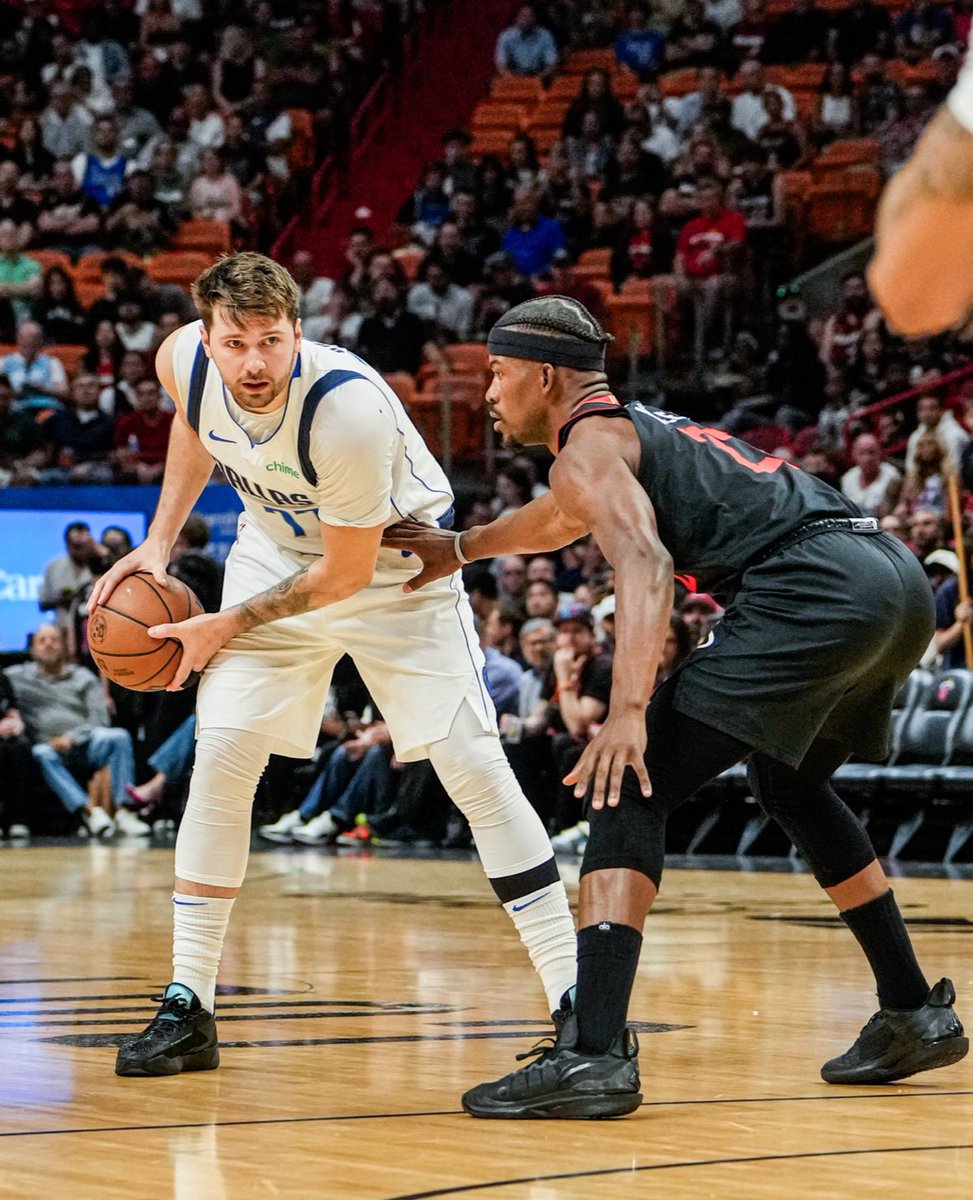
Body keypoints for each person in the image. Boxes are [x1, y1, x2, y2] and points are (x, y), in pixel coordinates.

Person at [383, 295, 966, 1119]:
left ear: (544, 376)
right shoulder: (621, 434)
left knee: (628, 778)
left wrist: (626, 711)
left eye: (498, 372)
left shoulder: (587, 447)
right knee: (791, 786)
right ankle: (913, 1010)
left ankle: (591, 1055)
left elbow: (646, 565)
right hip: (891, 577)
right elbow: (557, 520)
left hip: (813, 586)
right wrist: (465, 547)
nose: (488, 391)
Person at [88, 252, 577, 1080]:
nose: (252, 362)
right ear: (207, 335)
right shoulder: (185, 360)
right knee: (223, 756)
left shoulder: (344, 409)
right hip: (276, 550)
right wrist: (158, 546)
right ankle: (188, 1005)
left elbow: (344, 576)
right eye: (236, 342)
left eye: (270, 341)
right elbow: (191, 422)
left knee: (472, 768)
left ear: (297, 332)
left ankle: (577, 1004)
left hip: (395, 569)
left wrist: (222, 625)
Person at [5, 624, 147, 838]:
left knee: (118, 736)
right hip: (46, 749)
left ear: (64, 646)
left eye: (54, 639)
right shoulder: (16, 677)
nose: (48, 644)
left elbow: (101, 719)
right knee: (40, 753)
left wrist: (72, 737)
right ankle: (89, 812)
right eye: (42, 640)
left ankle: (125, 811)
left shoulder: (83, 677)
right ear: (32, 649)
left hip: (86, 744)